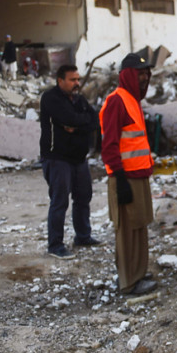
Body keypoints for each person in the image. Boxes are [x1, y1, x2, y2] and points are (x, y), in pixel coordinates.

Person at [99, 53, 157, 295]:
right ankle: (129, 282)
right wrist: (119, 177)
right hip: (126, 177)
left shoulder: (132, 100)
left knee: (139, 227)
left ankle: (137, 272)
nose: (144, 78)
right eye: (140, 73)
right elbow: (109, 144)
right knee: (127, 232)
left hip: (138, 176)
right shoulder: (117, 101)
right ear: (128, 75)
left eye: (146, 74)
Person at [39, 65, 100, 259]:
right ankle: (55, 245)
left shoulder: (79, 99)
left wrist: (78, 126)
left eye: (78, 79)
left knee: (83, 197)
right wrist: (81, 123)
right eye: (72, 80)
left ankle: (83, 236)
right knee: (60, 201)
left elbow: (95, 120)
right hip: (57, 158)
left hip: (79, 158)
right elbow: (69, 118)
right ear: (60, 80)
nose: (77, 83)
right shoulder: (50, 98)